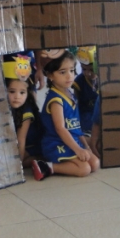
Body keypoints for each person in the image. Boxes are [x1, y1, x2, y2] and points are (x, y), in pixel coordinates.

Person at [32, 50, 99, 180]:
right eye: (62, 72)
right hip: (57, 143)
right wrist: (78, 150)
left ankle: (66, 161)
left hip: (73, 141)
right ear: (50, 75)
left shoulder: (70, 94)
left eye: (71, 70)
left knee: (95, 163)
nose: (69, 76)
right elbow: (60, 129)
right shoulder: (56, 100)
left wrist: (86, 147)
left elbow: (76, 127)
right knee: (84, 169)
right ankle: (47, 166)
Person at [3, 53, 43, 168]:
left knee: (19, 161)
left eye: (22, 92)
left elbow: (21, 139)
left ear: (28, 93)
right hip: (18, 144)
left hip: (32, 145)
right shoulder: (3, 106)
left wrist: (17, 166)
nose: (17, 97)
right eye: (12, 91)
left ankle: (43, 159)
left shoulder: (27, 110)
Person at [73, 46, 99, 140]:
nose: (88, 73)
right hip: (85, 121)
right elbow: (75, 104)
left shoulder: (105, 79)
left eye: (91, 70)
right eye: (84, 69)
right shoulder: (79, 82)